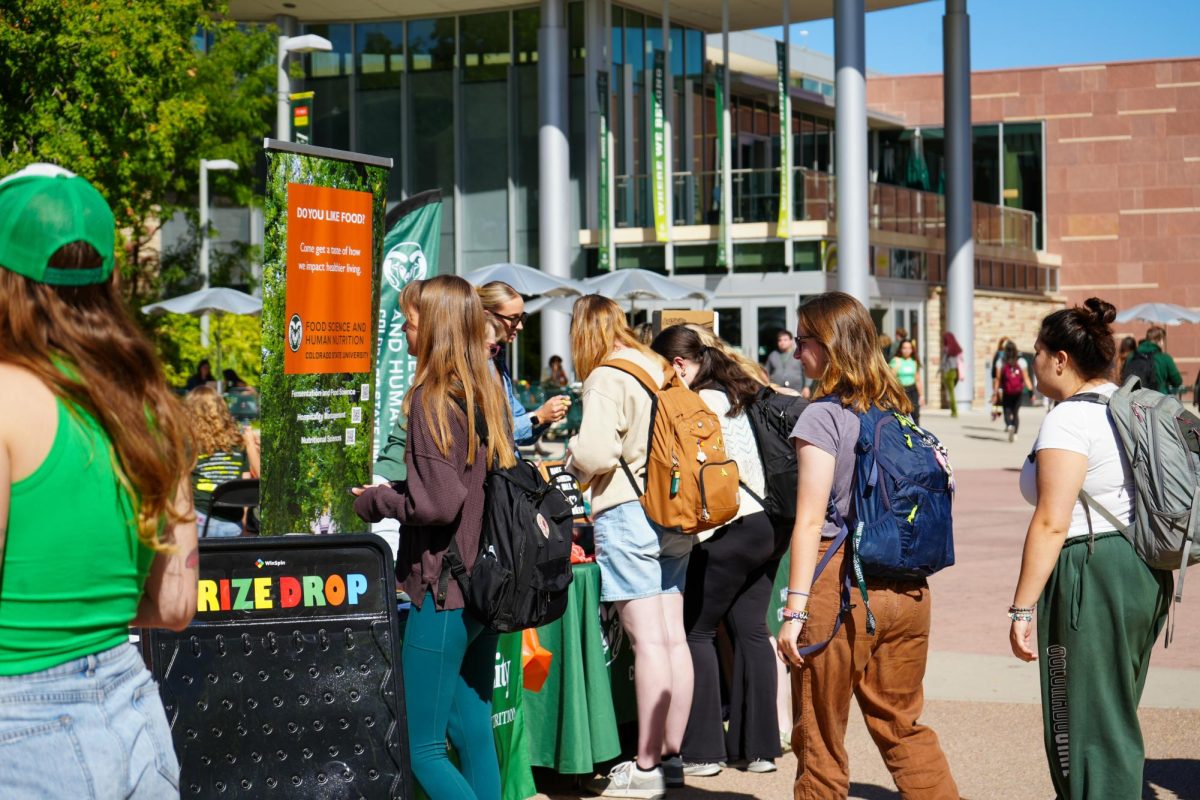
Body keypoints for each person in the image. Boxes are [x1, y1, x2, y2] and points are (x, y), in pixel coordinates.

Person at [0, 164, 198, 796]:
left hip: (22, 726)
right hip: (133, 714)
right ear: (112, 277)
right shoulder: (153, 406)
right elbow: (174, 606)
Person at [777, 291, 958, 800]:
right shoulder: (896, 409)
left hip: (841, 588)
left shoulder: (822, 417)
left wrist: (793, 612)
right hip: (908, 591)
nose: (796, 353)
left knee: (819, 737)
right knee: (903, 727)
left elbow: (811, 519)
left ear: (829, 345)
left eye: (804, 341)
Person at [352, 275, 516, 800]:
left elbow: (438, 504)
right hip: (484, 587)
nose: (403, 328)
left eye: (410, 320)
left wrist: (376, 500)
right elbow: (459, 487)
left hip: (444, 589)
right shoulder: (484, 390)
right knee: (472, 734)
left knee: (420, 747)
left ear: (436, 327)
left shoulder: (431, 397)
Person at [1009, 297, 1171, 800]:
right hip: (1143, 566)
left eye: (1036, 351)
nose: (1030, 361)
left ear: (1060, 359)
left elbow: (1052, 522)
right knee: (1111, 710)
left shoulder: (1069, 419)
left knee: (1085, 724)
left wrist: (1021, 607)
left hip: (1091, 569)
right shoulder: (1130, 408)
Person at [565, 295, 691, 799]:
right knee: (673, 637)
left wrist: (571, 461)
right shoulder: (659, 366)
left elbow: (596, 451)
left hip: (630, 511)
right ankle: (672, 755)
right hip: (678, 511)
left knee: (648, 642)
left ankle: (644, 765)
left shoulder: (606, 375)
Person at [650, 325, 788, 778]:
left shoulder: (696, 401)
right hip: (769, 524)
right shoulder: (741, 392)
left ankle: (704, 751)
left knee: (697, 631)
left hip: (728, 527)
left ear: (679, 365)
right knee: (750, 628)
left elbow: (691, 472)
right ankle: (761, 749)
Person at [475, 281, 569, 443]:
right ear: (487, 316)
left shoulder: (497, 360)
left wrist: (545, 416)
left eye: (522, 318)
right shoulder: (473, 364)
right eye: (513, 319)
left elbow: (517, 425)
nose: (519, 326)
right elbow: (491, 435)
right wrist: (538, 416)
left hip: (508, 465)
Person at [184, 385, 261, 537]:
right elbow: (245, 486)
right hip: (233, 526)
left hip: (200, 520)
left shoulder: (189, 445)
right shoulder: (238, 443)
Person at [1123, 326, 1182, 394]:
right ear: (1160, 340)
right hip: (1159, 399)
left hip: (1136, 399)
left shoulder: (1132, 356)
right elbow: (1177, 381)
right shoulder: (1165, 358)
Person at [993, 340, 1033, 442]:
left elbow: (997, 379)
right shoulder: (1021, 361)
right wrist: (1031, 392)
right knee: (1015, 413)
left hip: (1006, 391)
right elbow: (1026, 378)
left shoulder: (1000, 362)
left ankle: (1009, 425)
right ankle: (1015, 433)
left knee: (1007, 411)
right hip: (1018, 392)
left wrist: (995, 393)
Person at [888, 339, 923, 425]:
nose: (907, 350)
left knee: (915, 413)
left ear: (912, 349)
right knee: (901, 413)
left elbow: (918, 380)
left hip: (912, 389)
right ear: (900, 349)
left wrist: (921, 395)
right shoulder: (896, 360)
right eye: (904, 348)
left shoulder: (914, 362)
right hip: (901, 390)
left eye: (909, 348)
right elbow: (890, 379)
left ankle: (916, 433)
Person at [940, 331, 964, 418]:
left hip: (948, 372)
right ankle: (954, 411)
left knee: (951, 393)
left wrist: (939, 370)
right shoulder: (957, 348)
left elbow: (943, 362)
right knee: (952, 392)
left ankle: (954, 411)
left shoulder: (947, 349)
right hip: (955, 372)